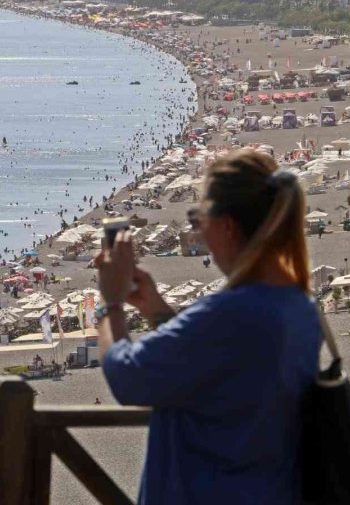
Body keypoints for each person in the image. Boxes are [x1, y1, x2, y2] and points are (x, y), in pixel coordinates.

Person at [96, 149, 319, 505]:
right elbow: (209, 365)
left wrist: (110, 305)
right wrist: (155, 309)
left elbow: (128, 377)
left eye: (198, 218)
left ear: (227, 225)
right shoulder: (298, 306)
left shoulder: (233, 312)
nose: (197, 230)